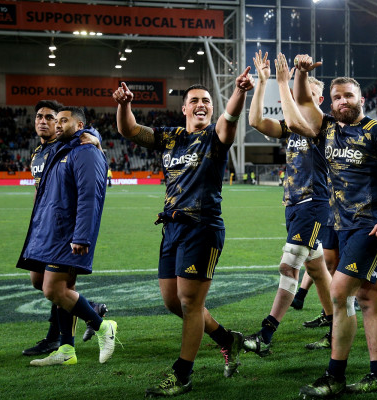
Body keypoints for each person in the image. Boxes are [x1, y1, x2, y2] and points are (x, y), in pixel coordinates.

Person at [112, 67, 254, 397]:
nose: (201, 104)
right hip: (172, 227)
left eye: (206, 100)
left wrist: (240, 91)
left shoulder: (217, 137)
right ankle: (226, 339)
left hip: (202, 228)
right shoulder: (172, 136)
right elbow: (131, 130)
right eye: (195, 100)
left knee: (190, 303)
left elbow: (231, 118)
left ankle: (183, 374)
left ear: (212, 108)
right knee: (173, 302)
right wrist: (124, 104)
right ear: (185, 108)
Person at [281, 53, 377, 397]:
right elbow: (304, 101)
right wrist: (300, 73)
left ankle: (334, 376)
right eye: (336, 97)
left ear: (361, 99)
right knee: (368, 298)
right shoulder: (326, 128)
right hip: (341, 224)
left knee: (340, 293)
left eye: (348, 96)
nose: (341, 102)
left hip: (371, 225)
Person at [245, 51, 333, 354]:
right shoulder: (290, 123)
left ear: (318, 100)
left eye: (307, 93)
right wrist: (264, 82)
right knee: (318, 272)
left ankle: (265, 334)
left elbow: (297, 121)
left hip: (314, 202)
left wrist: (285, 81)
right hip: (293, 204)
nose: (300, 95)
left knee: (288, 266)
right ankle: (337, 325)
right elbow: (255, 120)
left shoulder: (324, 126)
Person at [16, 106, 117, 366]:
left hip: (67, 231)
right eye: (48, 118)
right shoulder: (49, 151)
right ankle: (67, 349)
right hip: (46, 228)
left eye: (61, 120)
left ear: (79, 125)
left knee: (55, 288)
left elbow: (88, 196)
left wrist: (81, 235)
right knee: (44, 282)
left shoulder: (83, 148)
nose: (54, 124)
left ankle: (102, 326)